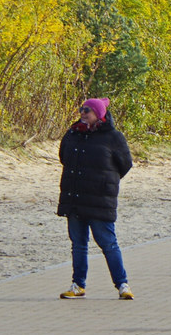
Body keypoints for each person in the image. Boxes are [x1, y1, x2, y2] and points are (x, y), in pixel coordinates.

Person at [57, 97, 134, 300]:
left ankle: (122, 285)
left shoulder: (113, 137)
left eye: (88, 110)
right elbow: (63, 157)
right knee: (78, 244)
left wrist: (105, 182)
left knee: (108, 243)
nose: (83, 113)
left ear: (99, 114)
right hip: (75, 199)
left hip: (100, 201)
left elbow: (125, 164)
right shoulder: (73, 134)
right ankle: (78, 285)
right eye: (82, 109)